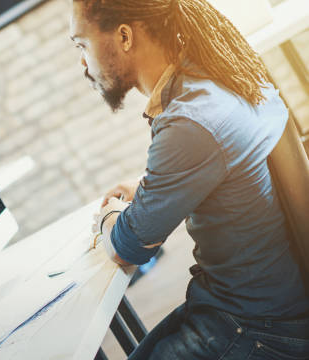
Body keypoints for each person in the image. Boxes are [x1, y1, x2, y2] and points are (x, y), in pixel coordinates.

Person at [69, 0, 309, 358]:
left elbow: (126, 247)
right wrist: (142, 188)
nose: (83, 63)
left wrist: (110, 213)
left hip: (257, 328)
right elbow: (223, 163)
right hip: (264, 308)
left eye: (82, 45)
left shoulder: (189, 122)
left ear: (124, 36)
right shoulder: (214, 78)